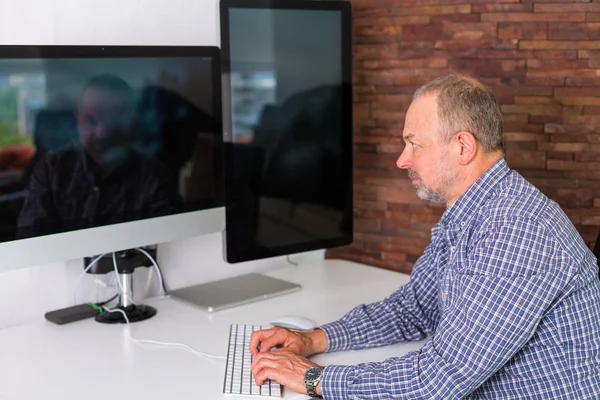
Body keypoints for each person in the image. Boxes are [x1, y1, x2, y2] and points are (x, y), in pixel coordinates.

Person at [249, 74, 600, 399]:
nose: (403, 160)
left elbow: (438, 380)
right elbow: (413, 309)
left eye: (414, 144)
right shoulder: (473, 212)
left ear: (463, 147)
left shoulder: (515, 229)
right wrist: (312, 340)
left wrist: (314, 379)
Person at [16, 74, 182, 238]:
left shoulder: (154, 175)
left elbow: (173, 244)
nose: (102, 133)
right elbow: (31, 241)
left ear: (133, 122)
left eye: (115, 122)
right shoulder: (50, 169)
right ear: (77, 118)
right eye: (91, 120)